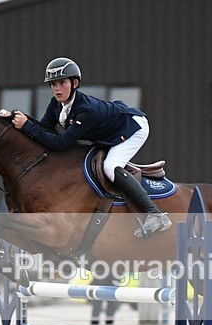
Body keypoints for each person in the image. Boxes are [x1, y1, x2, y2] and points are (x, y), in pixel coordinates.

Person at [11, 57, 171, 238]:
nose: (56, 88)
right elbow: (42, 129)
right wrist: (13, 119)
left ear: (75, 83)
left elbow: (61, 143)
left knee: (110, 167)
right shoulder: (56, 104)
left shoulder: (86, 111)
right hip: (110, 130)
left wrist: (26, 125)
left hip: (132, 127)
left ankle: (155, 214)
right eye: (53, 84)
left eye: (62, 83)